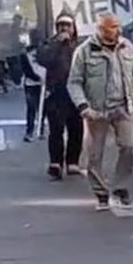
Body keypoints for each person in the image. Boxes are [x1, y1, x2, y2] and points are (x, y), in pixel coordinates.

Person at [67, 14, 133, 214]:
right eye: (109, 29)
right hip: (96, 110)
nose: (114, 33)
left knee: (129, 147)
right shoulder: (84, 51)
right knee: (94, 154)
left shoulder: (127, 47)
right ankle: (100, 191)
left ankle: (120, 186)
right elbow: (74, 82)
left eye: (116, 28)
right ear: (99, 30)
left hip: (123, 107)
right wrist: (83, 107)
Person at [37, 12, 83, 181]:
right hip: (56, 92)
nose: (64, 28)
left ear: (73, 28)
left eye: (67, 25)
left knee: (76, 128)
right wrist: (57, 44)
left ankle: (73, 162)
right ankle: (55, 163)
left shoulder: (80, 46)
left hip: (77, 92)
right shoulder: (49, 44)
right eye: (61, 25)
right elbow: (43, 59)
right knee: (56, 129)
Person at [19, 29, 45, 143]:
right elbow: (26, 70)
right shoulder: (24, 53)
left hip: (43, 84)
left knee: (42, 108)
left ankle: (40, 130)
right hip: (31, 84)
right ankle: (30, 132)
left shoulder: (45, 52)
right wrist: (37, 78)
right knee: (32, 108)